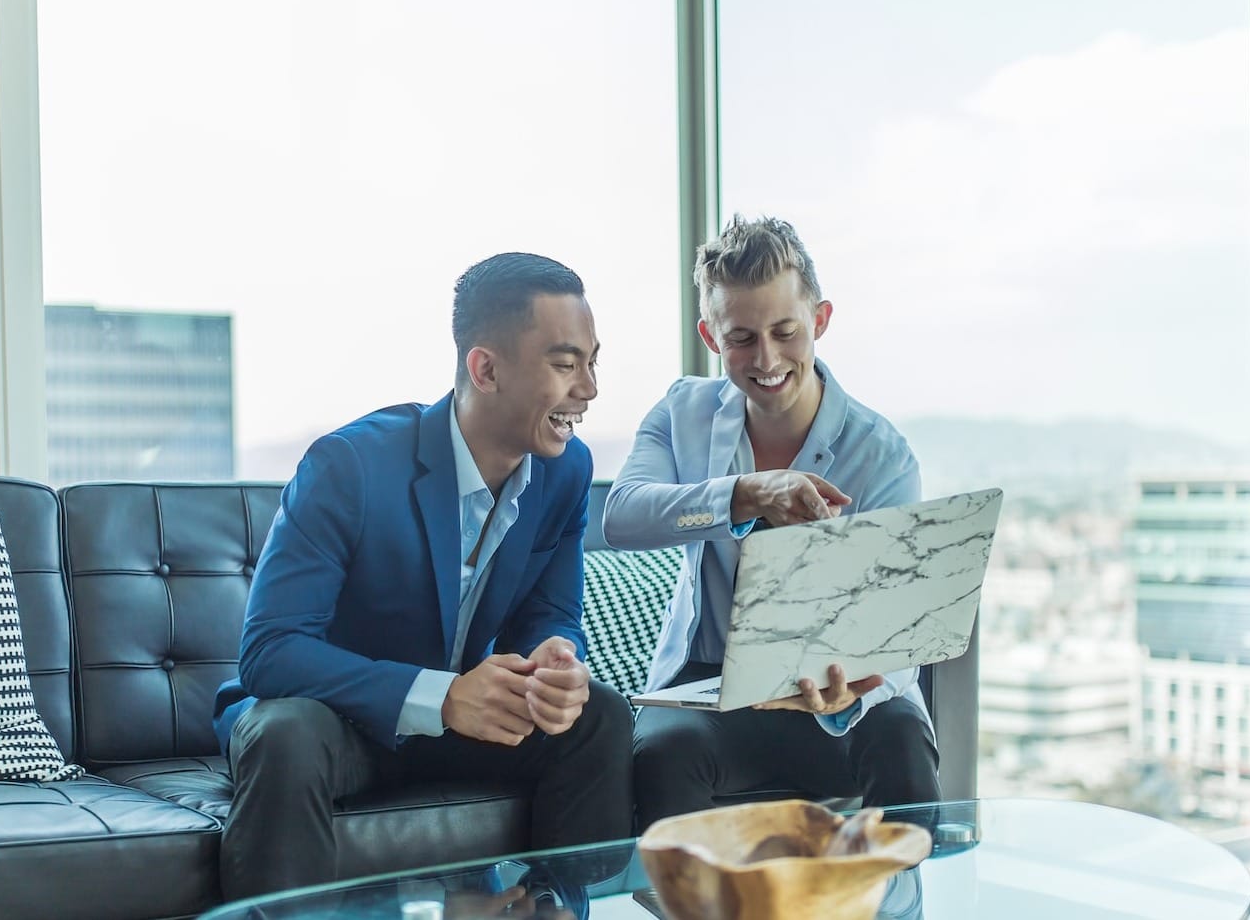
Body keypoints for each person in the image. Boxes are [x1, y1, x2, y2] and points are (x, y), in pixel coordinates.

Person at [212, 253, 632, 900]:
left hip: (459, 724)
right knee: (284, 734)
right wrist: (441, 697)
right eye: (565, 363)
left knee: (597, 715)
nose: (590, 388)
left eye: (592, 361)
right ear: (486, 369)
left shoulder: (566, 470)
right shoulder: (348, 466)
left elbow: (550, 613)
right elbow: (270, 653)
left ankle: (551, 907)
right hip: (341, 722)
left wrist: (556, 657)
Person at [603, 215, 942, 830]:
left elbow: (900, 630)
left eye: (786, 331)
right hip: (711, 688)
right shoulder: (682, 413)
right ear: (710, 336)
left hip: (837, 691)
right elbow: (622, 516)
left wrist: (854, 687)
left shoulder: (882, 454)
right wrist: (745, 494)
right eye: (741, 339)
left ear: (821, 320)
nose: (767, 359)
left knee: (901, 737)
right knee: (661, 752)